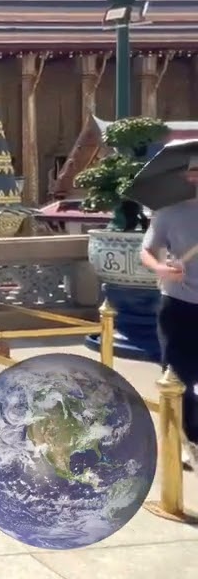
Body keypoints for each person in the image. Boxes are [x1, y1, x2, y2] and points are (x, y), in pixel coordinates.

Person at [140, 155, 198, 468]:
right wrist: (162, 268)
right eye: (194, 172)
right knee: (179, 377)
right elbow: (146, 251)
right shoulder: (169, 213)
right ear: (187, 178)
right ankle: (188, 438)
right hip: (180, 304)